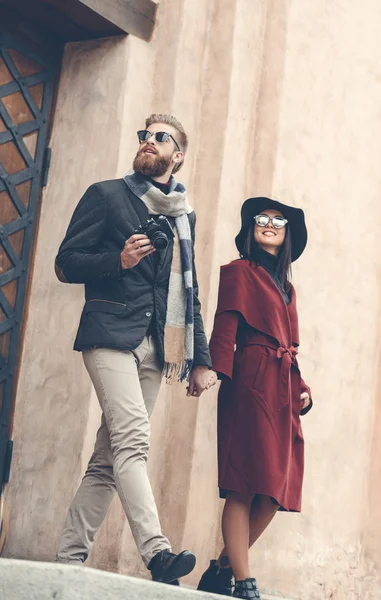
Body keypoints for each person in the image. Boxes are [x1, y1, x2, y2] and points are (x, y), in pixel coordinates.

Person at [54, 114, 215, 585]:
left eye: (159, 137)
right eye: (144, 136)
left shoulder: (184, 215)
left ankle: (66, 562)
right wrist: (117, 260)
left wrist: (199, 358)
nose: (148, 142)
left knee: (108, 460)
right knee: (133, 441)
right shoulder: (106, 196)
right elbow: (66, 263)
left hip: (157, 348)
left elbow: (191, 290)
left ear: (177, 155)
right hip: (109, 334)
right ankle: (157, 553)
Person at [197, 197, 312, 598]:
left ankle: (222, 567)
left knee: (275, 490)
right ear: (251, 229)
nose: (269, 224)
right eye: (261, 219)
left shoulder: (288, 289)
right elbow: (225, 325)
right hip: (248, 382)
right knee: (243, 484)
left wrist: (302, 391)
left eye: (277, 221)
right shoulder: (238, 272)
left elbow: (291, 347)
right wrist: (212, 368)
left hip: (282, 390)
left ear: (287, 235)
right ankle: (242, 581)